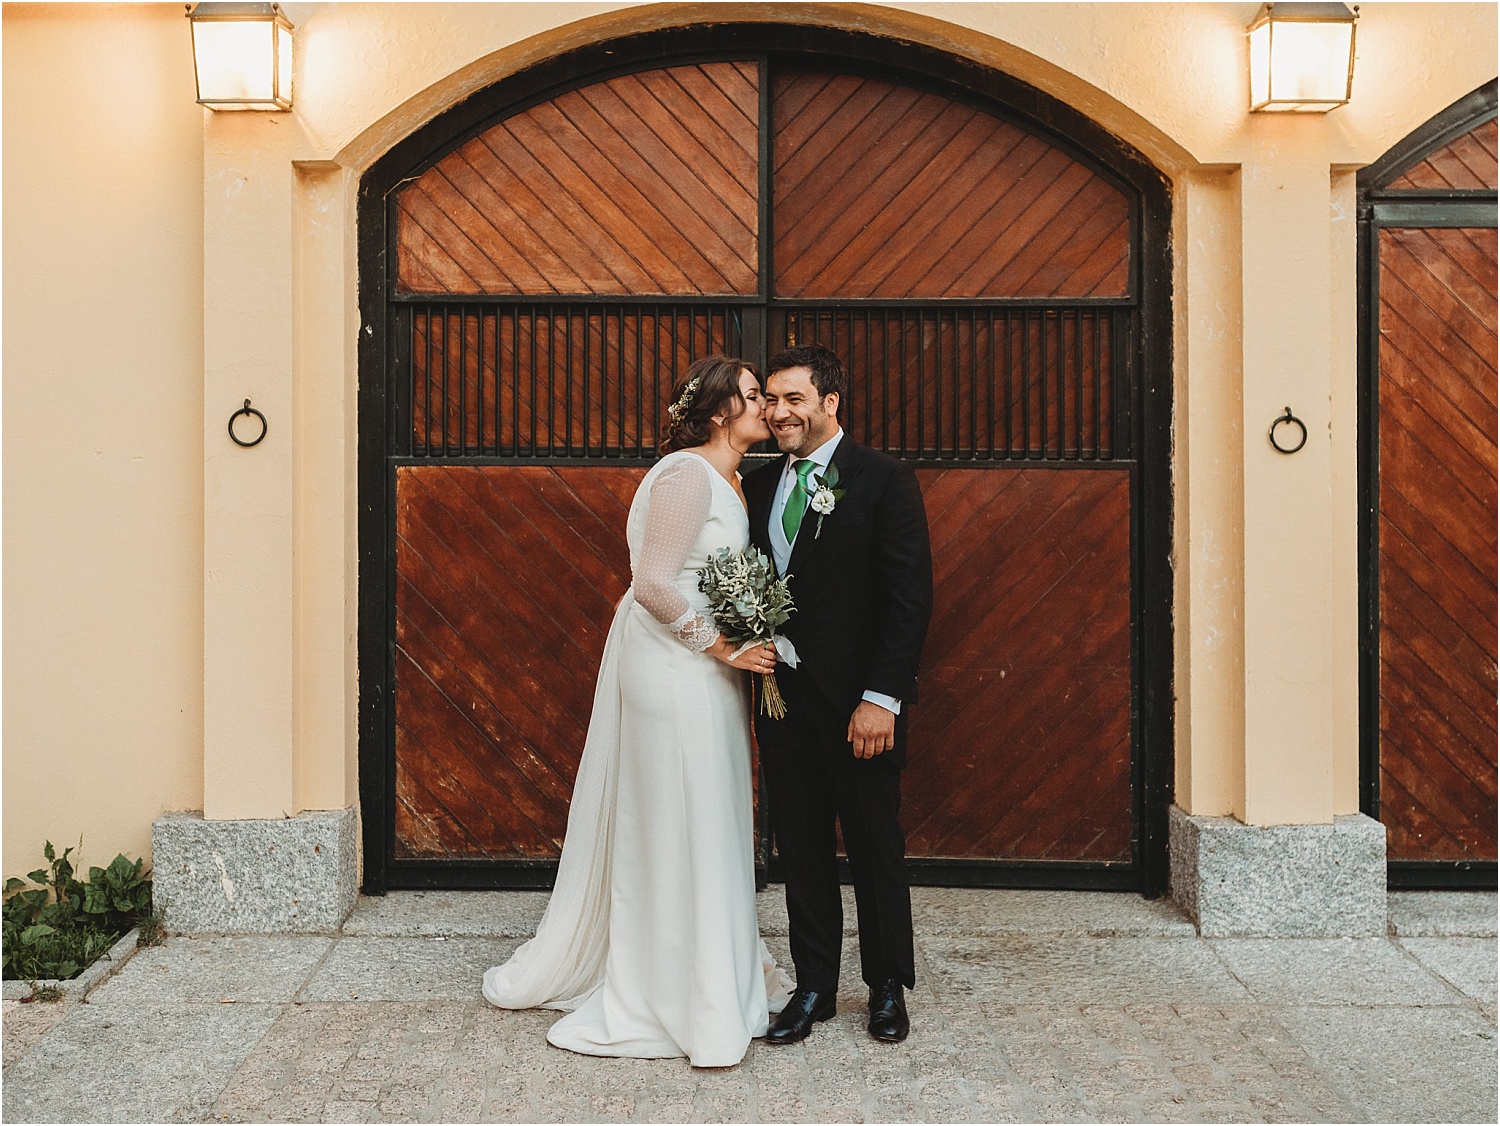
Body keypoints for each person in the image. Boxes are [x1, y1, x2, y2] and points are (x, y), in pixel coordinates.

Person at [482, 355, 791, 1068]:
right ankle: (668, 989)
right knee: (676, 813)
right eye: (752, 397)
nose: (765, 410)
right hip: (671, 667)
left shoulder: (733, 479)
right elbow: (652, 582)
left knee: (706, 811)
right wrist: (723, 646)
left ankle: (712, 970)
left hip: (706, 670)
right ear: (719, 413)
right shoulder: (686, 475)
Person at [744, 344, 934, 1046]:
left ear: (830, 403)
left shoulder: (882, 479)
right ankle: (815, 986)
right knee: (801, 849)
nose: (777, 411)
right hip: (784, 702)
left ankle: (886, 986)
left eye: (793, 398)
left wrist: (881, 698)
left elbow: (908, 600)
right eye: (769, 398)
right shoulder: (759, 487)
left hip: (860, 706)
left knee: (874, 844)